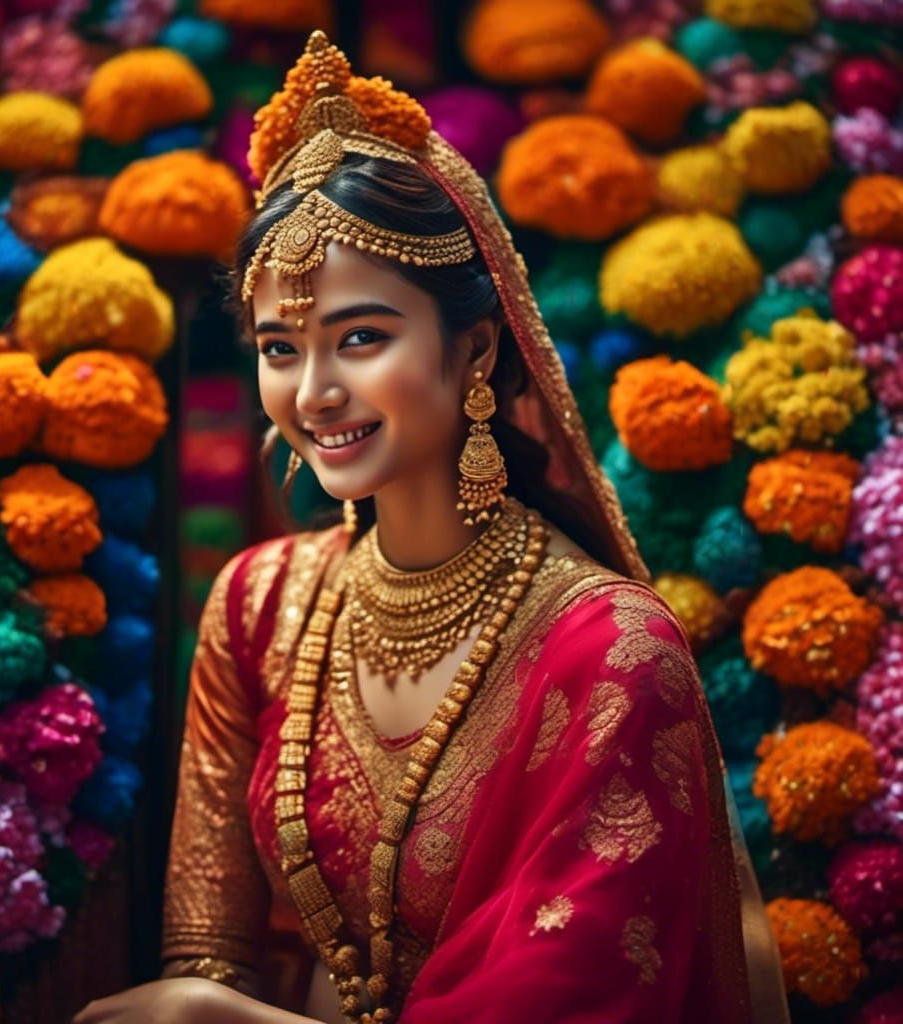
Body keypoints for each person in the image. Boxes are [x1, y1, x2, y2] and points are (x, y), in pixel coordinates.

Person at [75, 30, 790, 1024]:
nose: (315, 391)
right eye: (281, 347)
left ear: (474, 348)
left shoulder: (612, 653)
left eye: (361, 337)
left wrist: (220, 1020)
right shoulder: (261, 603)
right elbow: (206, 955)